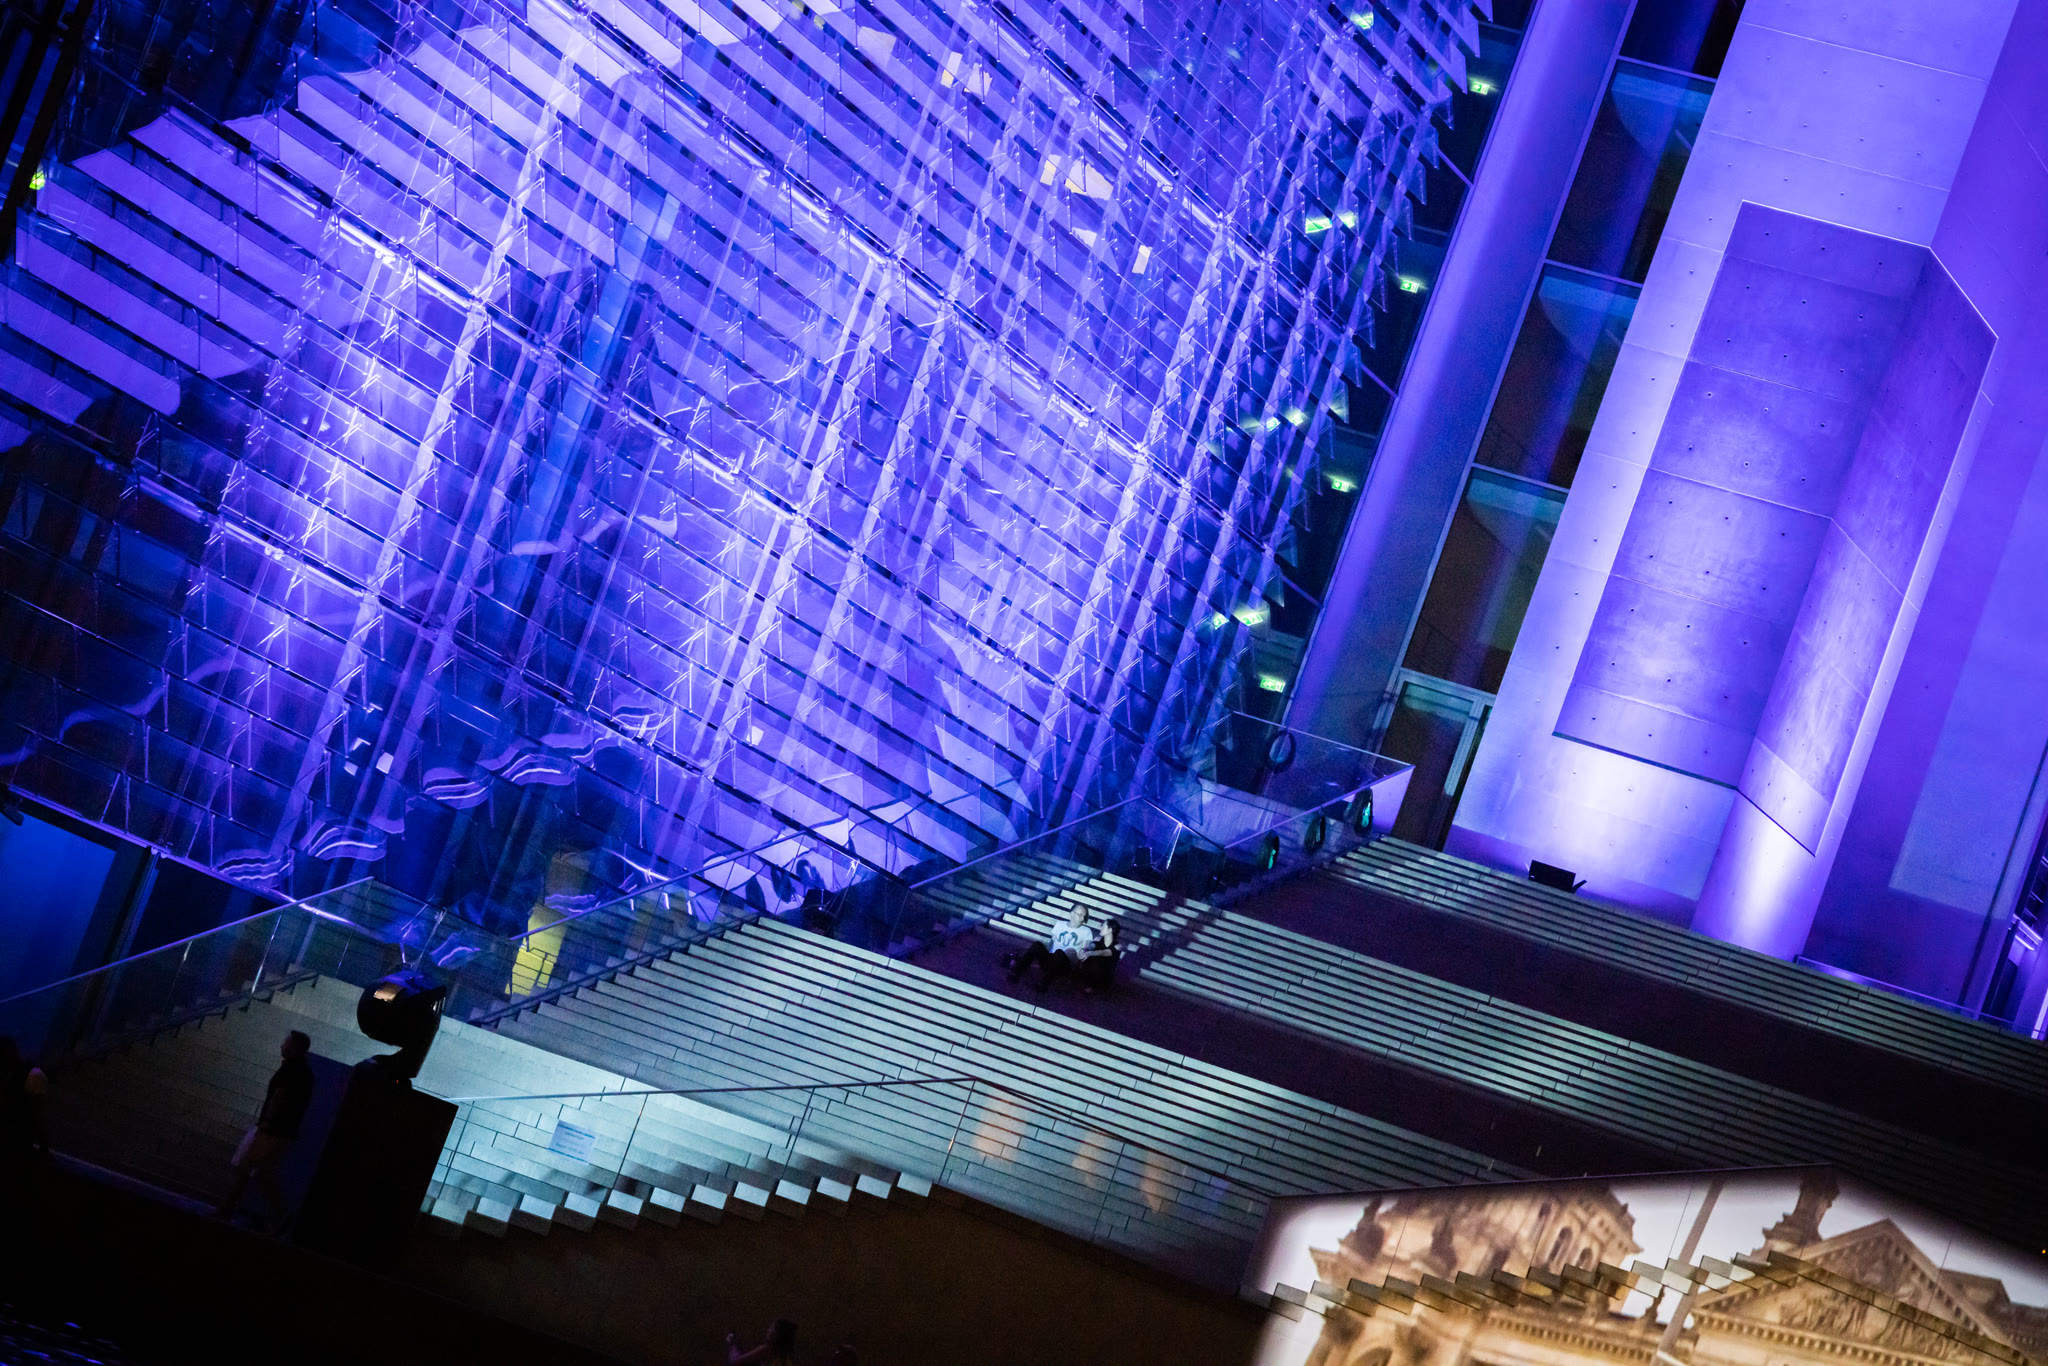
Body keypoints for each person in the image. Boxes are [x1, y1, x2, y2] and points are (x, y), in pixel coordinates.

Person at [215, 1029, 314, 1231]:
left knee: (250, 1170)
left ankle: (277, 1214)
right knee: (256, 1172)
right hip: (281, 1131)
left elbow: (279, 1097)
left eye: (286, 1042)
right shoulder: (303, 1072)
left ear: (294, 1047)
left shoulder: (290, 1070)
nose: (282, 1045)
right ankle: (277, 1215)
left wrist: (267, 1121)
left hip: (273, 1130)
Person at [1004, 905, 1097, 991]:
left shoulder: (1086, 931)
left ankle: (1043, 984)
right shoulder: (1060, 924)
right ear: (1072, 913)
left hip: (1066, 965)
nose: (1082, 918)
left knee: (1059, 953)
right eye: (1080, 914)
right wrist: (1045, 954)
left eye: (1084, 916)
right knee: (1037, 945)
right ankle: (1016, 972)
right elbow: (1051, 942)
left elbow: (1085, 949)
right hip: (1052, 959)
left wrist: (1079, 955)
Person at [0, 1036, 49, 1155]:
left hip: (15, 1143)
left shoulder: (32, 1075)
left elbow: (38, 1115)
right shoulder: (13, 1074)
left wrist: (44, 1148)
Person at [1077, 916, 1120, 995]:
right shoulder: (1097, 939)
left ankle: (1093, 987)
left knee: (1097, 959)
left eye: (1103, 926)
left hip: (1105, 974)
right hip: (1092, 970)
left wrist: (1090, 953)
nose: (1100, 927)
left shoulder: (1118, 946)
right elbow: (1091, 946)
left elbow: (1105, 952)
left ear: (1110, 930)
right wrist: (1084, 950)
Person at [727, 1317, 799, 1364]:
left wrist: (733, 1344)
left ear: (776, 1333)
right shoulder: (788, 1354)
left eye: (771, 1328)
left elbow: (736, 1362)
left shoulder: (767, 1350)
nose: (768, 1330)